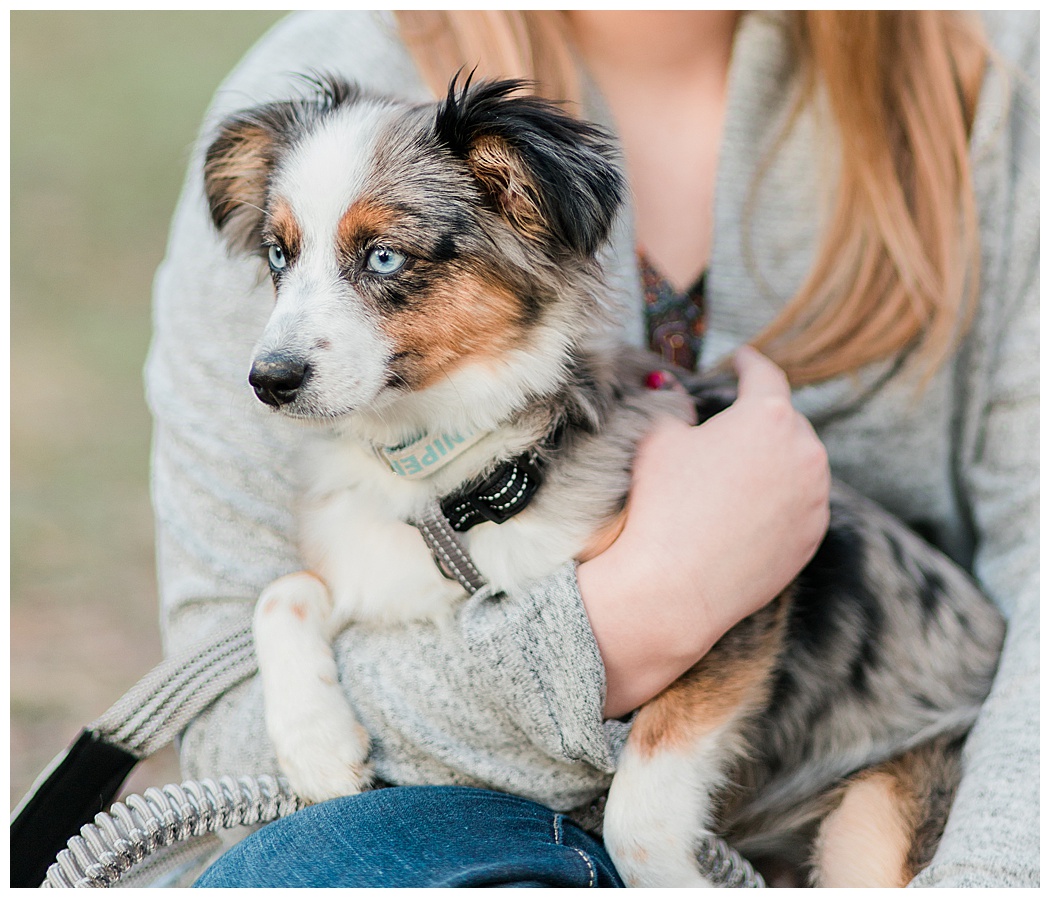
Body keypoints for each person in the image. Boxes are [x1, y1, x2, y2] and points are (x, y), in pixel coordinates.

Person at [144, 11, 1037, 887]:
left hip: (887, 762)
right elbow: (228, 732)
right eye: (282, 255)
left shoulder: (1000, 71)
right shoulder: (323, 71)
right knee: (318, 867)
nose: (282, 343)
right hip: (488, 831)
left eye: (383, 260)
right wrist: (623, 630)